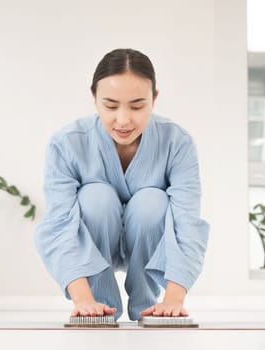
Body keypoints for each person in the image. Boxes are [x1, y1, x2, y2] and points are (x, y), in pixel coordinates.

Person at [34, 48, 209, 321]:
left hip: (150, 243)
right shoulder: (66, 143)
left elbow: (188, 222)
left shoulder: (177, 142)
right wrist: (83, 300)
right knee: (95, 197)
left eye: (138, 106)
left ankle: (146, 303)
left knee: (153, 201)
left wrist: (173, 300)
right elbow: (59, 226)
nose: (124, 120)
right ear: (94, 98)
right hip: (94, 243)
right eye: (111, 106)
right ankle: (101, 303)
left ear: (155, 98)